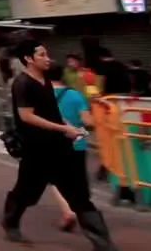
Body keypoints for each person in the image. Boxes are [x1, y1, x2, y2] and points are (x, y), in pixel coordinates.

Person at [3, 41, 118, 250]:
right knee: (26, 193)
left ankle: (103, 244)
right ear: (28, 59)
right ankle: (10, 223)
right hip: (36, 150)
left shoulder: (45, 80)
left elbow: (52, 113)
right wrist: (62, 128)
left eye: (47, 54)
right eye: (42, 55)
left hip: (61, 148)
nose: (48, 59)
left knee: (80, 196)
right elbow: (27, 116)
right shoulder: (22, 83)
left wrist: (70, 127)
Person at [46, 62, 92, 232]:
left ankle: (68, 211)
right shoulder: (75, 95)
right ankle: (85, 214)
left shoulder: (40, 96)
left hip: (52, 144)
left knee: (55, 179)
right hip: (77, 144)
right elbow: (88, 121)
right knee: (78, 180)